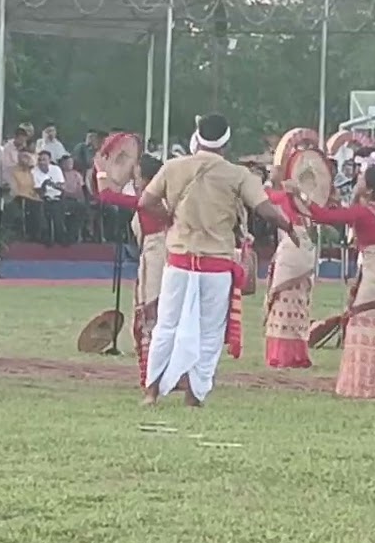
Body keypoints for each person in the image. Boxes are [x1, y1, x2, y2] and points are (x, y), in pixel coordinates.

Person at [136, 114, 296, 406]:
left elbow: (145, 202)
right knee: (209, 331)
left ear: (197, 137)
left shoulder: (173, 167)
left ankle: (152, 392)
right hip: (216, 264)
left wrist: (170, 218)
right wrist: (289, 227)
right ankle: (194, 395)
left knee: (166, 326)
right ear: (226, 141)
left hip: (180, 259)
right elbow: (265, 210)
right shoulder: (237, 174)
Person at [292, 164, 375, 398]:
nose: (357, 179)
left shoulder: (365, 211)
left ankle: (362, 385)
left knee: (362, 322)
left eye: (361, 178)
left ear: (370, 189)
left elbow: (323, 216)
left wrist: (298, 194)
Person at [97, 150, 168, 391]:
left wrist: (102, 169)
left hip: (157, 254)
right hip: (162, 252)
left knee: (151, 311)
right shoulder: (161, 194)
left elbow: (106, 195)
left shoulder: (152, 197)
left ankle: (155, 371)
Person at [262, 164, 317, 369]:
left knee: (283, 299)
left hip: (292, 247)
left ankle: (282, 353)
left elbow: (264, 196)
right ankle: (296, 352)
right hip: (305, 249)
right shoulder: (304, 199)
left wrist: (268, 180)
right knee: (298, 300)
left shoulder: (286, 196)